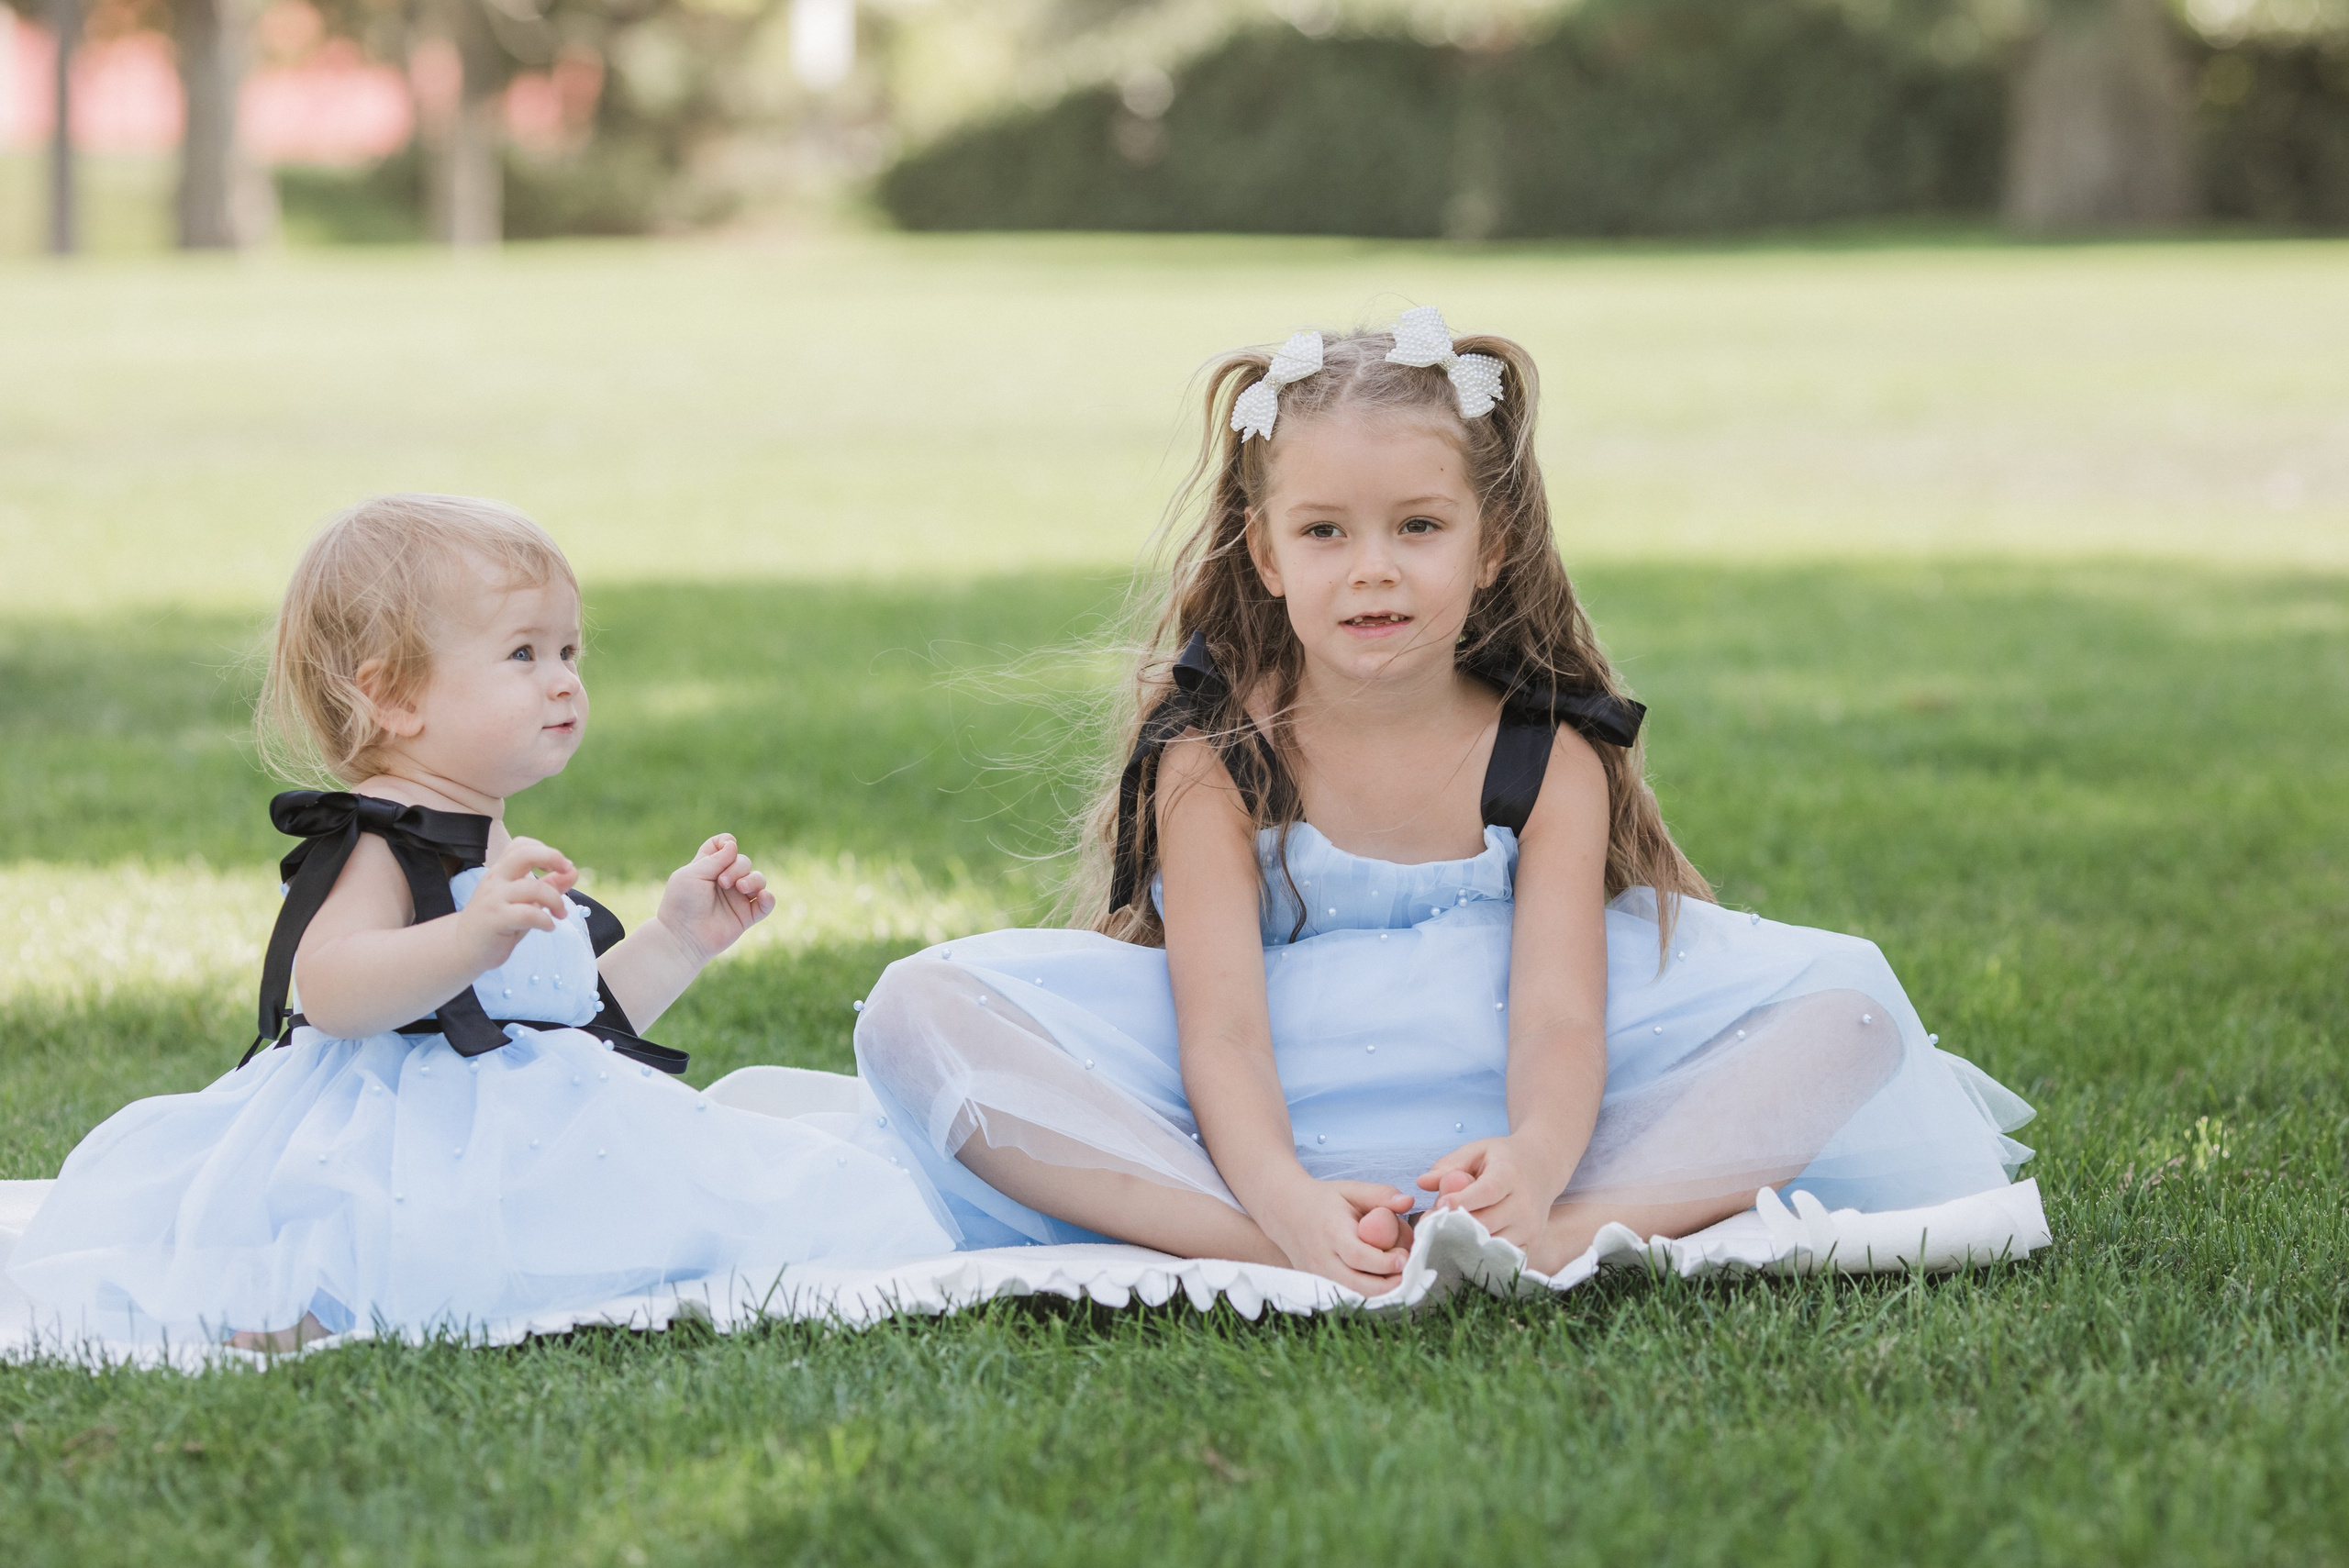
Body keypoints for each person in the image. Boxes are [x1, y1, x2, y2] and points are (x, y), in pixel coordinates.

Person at [855, 308, 2035, 1296]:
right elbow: (1218, 1033)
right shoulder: (1218, 753)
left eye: (1418, 525)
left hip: (1521, 1100)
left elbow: (1562, 1019)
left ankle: (1565, 1233)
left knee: (1852, 1006)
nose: (1372, 566)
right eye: (1324, 530)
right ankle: (1284, 1252)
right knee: (917, 1011)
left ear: (1490, 544)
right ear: (1265, 553)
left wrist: (1536, 1155)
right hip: (1253, 1119)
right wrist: (1281, 1198)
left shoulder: (1548, 752)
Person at [7, 495, 952, 1350]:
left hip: (522, 1130)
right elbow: (330, 987)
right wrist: (467, 935)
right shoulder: (380, 838)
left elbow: (565, 1020)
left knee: (722, 1198)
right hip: (393, 1141)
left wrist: (678, 938)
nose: (563, 682)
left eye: (570, 652)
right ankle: (314, 1298)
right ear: (392, 696)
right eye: (523, 653)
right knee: (401, 1237)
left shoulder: (497, 837)